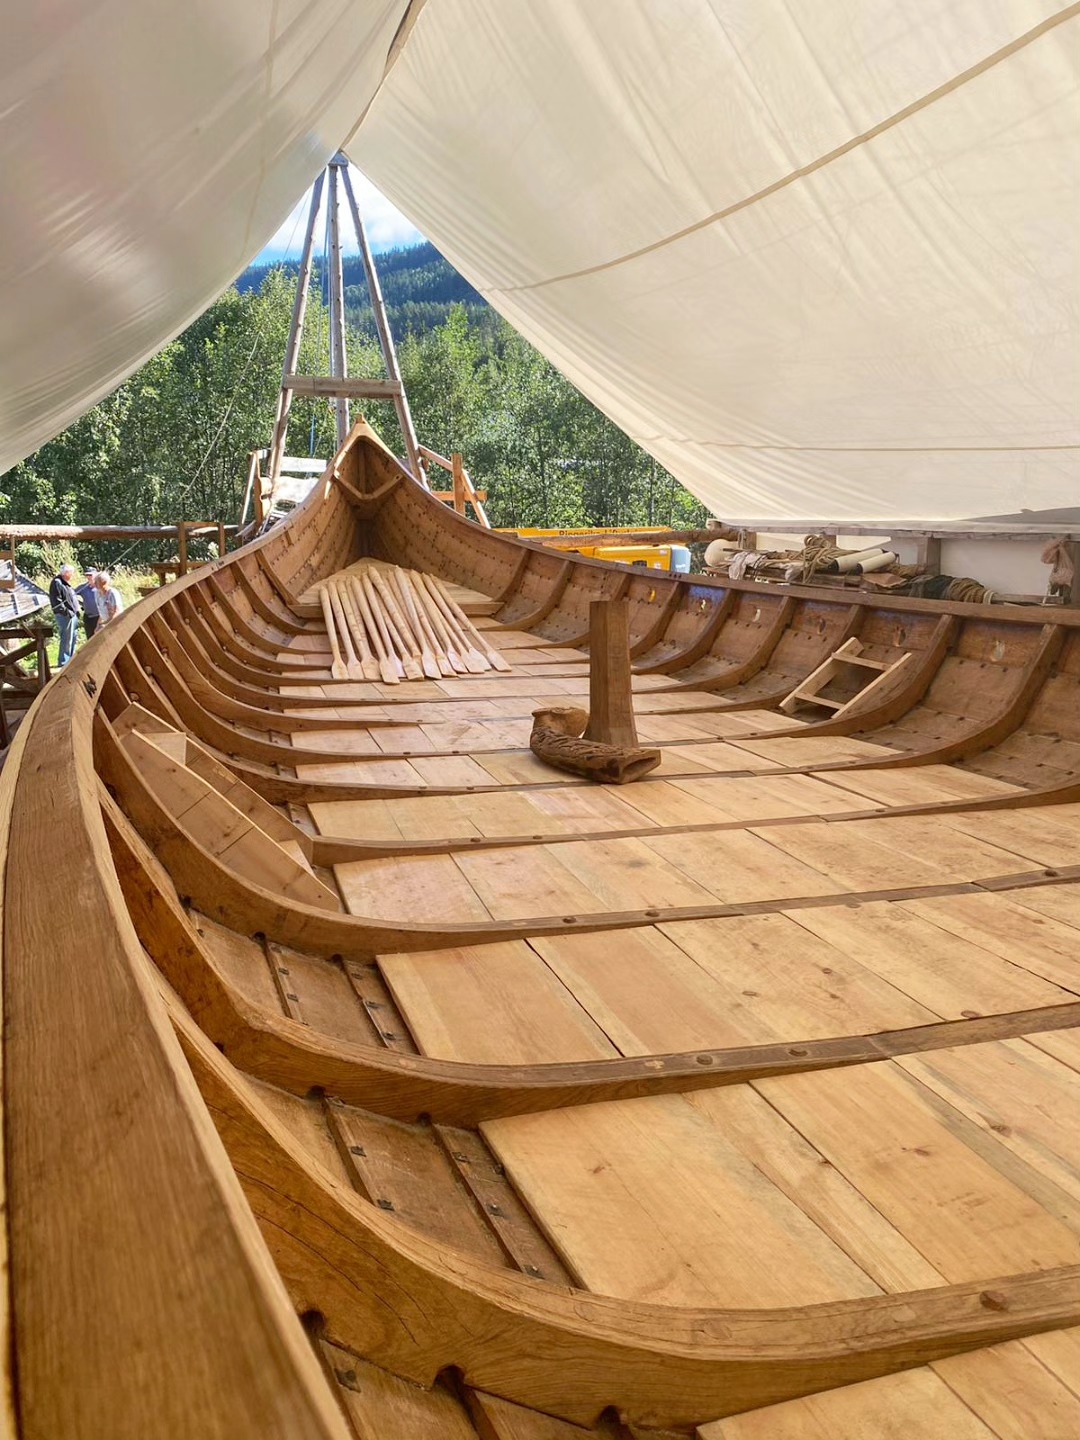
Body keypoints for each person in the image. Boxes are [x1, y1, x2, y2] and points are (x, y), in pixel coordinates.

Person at [49, 563, 81, 667]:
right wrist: (68, 613)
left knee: (73, 637)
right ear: (66, 573)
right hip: (65, 616)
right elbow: (57, 601)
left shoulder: (66, 583)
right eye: (71, 573)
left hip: (73, 615)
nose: (72, 575)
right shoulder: (57, 583)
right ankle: (64, 662)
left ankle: (71, 660)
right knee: (67, 638)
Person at [76, 570, 100, 638]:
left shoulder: (99, 587)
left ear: (95, 575)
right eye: (87, 575)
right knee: (89, 637)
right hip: (88, 616)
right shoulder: (83, 587)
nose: (89, 577)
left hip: (98, 616)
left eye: (90, 575)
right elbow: (72, 595)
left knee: (99, 636)